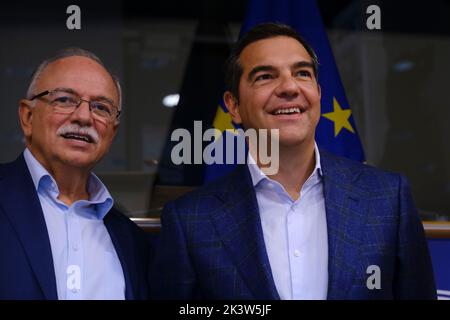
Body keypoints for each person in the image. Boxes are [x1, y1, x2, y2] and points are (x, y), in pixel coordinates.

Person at [150, 23, 436, 299]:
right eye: (265, 76)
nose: (289, 88)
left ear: (319, 95)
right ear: (233, 106)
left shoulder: (388, 198)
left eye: (302, 73)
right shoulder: (189, 220)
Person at [0, 48, 150, 299]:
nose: (83, 117)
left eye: (101, 107)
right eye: (64, 100)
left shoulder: (132, 241)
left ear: (112, 133)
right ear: (27, 116)